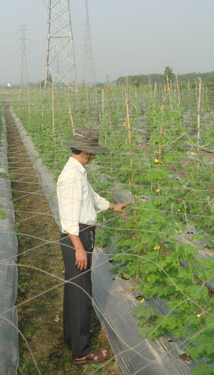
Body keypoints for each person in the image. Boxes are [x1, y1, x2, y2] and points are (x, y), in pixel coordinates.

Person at [57, 127, 130, 366]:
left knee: (74, 290)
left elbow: (91, 197)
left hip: (80, 236)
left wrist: (112, 206)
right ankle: (82, 351)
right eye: (93, 152)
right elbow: (68, 217)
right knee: (81, 295)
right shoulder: (70, 176)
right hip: (76, 238)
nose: (94, 156)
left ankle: (72, 339)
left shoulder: (78, 173)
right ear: (87, 153)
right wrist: (78, 246)